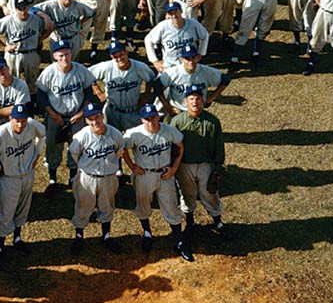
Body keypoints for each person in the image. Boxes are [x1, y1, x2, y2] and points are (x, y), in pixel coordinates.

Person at [0, 103, 45, 265]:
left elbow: (43, 135)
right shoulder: (0, 134)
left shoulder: (32, 125)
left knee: (23, 207)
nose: (20, 124)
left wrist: (37, 154)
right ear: (10, 118)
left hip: (27, 175)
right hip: (9, 179)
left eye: (23, 120)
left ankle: (17, 239)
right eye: (17, 120)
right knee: (5, 212)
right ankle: (0, 245)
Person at [121, 104, 192, 260]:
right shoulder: (134, 133)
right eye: (147, 118)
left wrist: (174, 168)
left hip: (165, 174)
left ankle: (178, 241)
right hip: (144, 174)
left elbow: (181, 146)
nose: (151, 121)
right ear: (142, 119)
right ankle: (147, 233)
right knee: (143, 204)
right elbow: (122, 148)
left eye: (153, 117)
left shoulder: (168, 130)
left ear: (157, 116)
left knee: (171, 206)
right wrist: (132, 166)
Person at [36, 39, 104, 191]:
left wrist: (81, 113)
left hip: (76, 115)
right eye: (60, 56)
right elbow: (41, 95)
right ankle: (53, 178)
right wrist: (52, 114)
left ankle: (73, 176)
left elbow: (89, 92)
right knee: (53, 146)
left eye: (66, 54)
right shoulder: (49, 72)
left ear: (71, 53)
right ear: (54, 56)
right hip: (56, 116)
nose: (64, 58)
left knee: (77, 146)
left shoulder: (80, 70)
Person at [169, 85, 230, 237]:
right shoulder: (177, 121)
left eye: (197, 98)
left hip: (205, 163)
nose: (195, 101)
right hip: (185, 164)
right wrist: (173, 166)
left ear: (202, 100)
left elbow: (218, 144)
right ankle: (190, 222)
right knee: (187, 193)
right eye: (191, 98)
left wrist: (218, 166)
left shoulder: (212, 121)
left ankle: (218, 220)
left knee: (209, 192)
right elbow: (172, 146)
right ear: (186, 101)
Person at [68, 102, 124, 254]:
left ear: (102, 116)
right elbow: (75, 154)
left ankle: (106, 236)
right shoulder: (81, 136)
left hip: (109, 177)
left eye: (97, 117)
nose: (95, 122)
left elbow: (119, 152)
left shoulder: (115, 134)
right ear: (86, 120)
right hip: (87, 178)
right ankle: (79, 237)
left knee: (107, 207)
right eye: (91, 119)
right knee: (82, 208)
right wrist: (85, 166)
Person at [91, 40, 158, 133]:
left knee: (135, 140)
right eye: (115, 56)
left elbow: (151, 78)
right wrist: (98, 92)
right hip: (111, 111)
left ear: (126, 52)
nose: (119, 58)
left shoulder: (139, 67)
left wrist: (145, 97)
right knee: (111, 141)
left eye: (121, 54)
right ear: (111, 57)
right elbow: (87, 76)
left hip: (132, 112)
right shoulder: (106, 67)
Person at [0, 0, 50, 88]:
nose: (22, 12)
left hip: (31, 53)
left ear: (28, 8)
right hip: (13, 55)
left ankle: (32, 101)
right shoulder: (8, 20)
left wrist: (40, 39)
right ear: (16, 9)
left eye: (24, 8)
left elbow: (50, 28)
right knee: (12, 82)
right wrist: (4, 47)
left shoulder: (36, 20)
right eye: (19, 9)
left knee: (33, 83)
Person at [144, 1, 209, 71]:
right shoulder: (163, 26)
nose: (174, 16)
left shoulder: (193, 24)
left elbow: (205, 35)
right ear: (167, 15)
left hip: (189, 65)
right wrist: (155, 61)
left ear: (181, 11)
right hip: (170, 66)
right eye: (170, 13)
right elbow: (148, 40)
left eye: (176, 12)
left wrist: (201, 53)